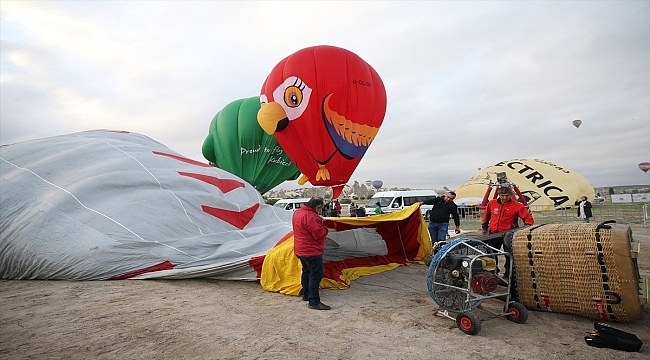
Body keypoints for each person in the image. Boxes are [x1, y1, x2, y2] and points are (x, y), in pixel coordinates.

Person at [292, 197, 331, 310]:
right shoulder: (312, 217)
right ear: (317, 207)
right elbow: (319, 235)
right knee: (316, 274)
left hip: (300, 249)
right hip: (311, 250)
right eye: (320, 209)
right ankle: (314, 301)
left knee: (306, 271)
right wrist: (325, 227)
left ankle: (307, 295)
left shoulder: (298, 212)